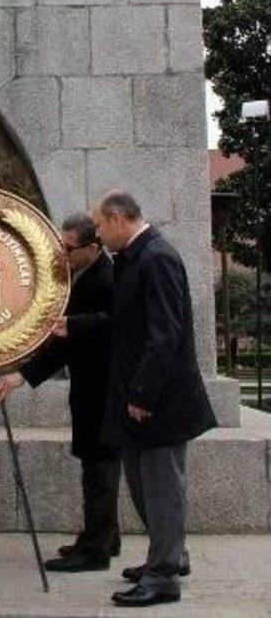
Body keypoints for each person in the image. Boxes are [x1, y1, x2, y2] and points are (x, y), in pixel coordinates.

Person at [94, 191, 217, 608]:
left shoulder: (157, 258)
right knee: (142, 487)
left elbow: (165, 334)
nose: (97, 234)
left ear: (117, 218)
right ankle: (170, 555)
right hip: (138, 399)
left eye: (99, 225)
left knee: (161, 489)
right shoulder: (134, 258)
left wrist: (144, 393)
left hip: (158, 401)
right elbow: (125, 325)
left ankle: (163, 577)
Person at [0, 213, 120, 572]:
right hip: (90, 387)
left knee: (101, 466)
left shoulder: (106, 280)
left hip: (103, 388)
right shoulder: (84, 275)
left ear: (92, 248)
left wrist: (23, 374)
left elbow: (110, 329)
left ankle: (95, 550)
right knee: (95, 463)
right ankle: (103, 538)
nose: (61, 252)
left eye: (68, 247)